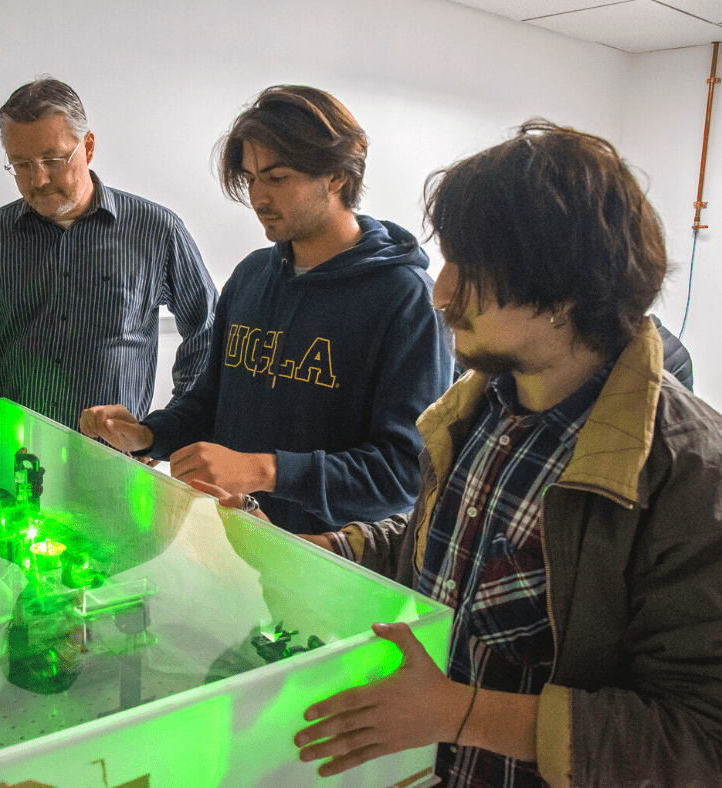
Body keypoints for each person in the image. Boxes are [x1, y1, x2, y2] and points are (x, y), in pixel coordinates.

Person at [292, 120, 722, 787]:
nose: (440, 293)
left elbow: (699, 741)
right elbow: (446, 554)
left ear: (564, 293)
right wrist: (313, 552)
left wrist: (457, 713)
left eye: (471, 270)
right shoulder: (484, 406)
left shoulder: (689, 477)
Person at [80, 85, 453, 534]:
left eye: (277, 178)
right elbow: (209, 403)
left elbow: (403, 472)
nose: (258, 197)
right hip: (231, 541)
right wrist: (148, 435)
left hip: (332, 565)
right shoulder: (252, 275)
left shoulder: (406, 298)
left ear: (335, 175)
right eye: (251, 178)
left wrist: (266, 470)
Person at [0, 77, 218, 430]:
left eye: (53, 160)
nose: (39, 179)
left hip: (112, 462)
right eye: (22, 165)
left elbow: (208, 334)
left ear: (87, 147)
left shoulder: (156, 230)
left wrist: (166, 429)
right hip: (12, 462)